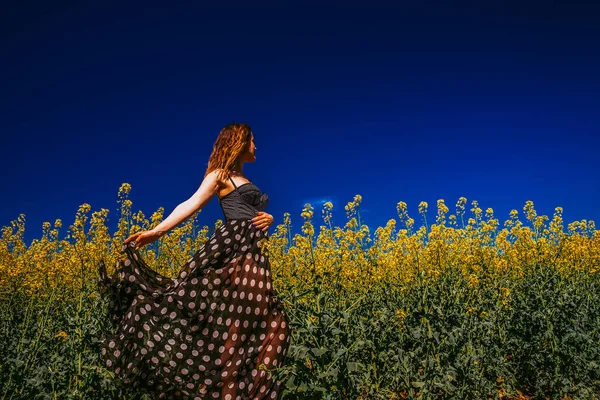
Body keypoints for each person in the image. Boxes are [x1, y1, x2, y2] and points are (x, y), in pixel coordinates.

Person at [97, 122, 291, 400]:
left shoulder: (244, 178)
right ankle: (224, 392)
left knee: (271, 322)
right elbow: (192, 203)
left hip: (256, 254)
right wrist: (155, 232)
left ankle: (244, 391)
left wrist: (269, 218)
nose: (256, 146)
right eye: (252, 141)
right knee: (240, 325)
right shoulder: (220, 174)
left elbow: (254, 212)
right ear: (239, 141)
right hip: (235, 251)